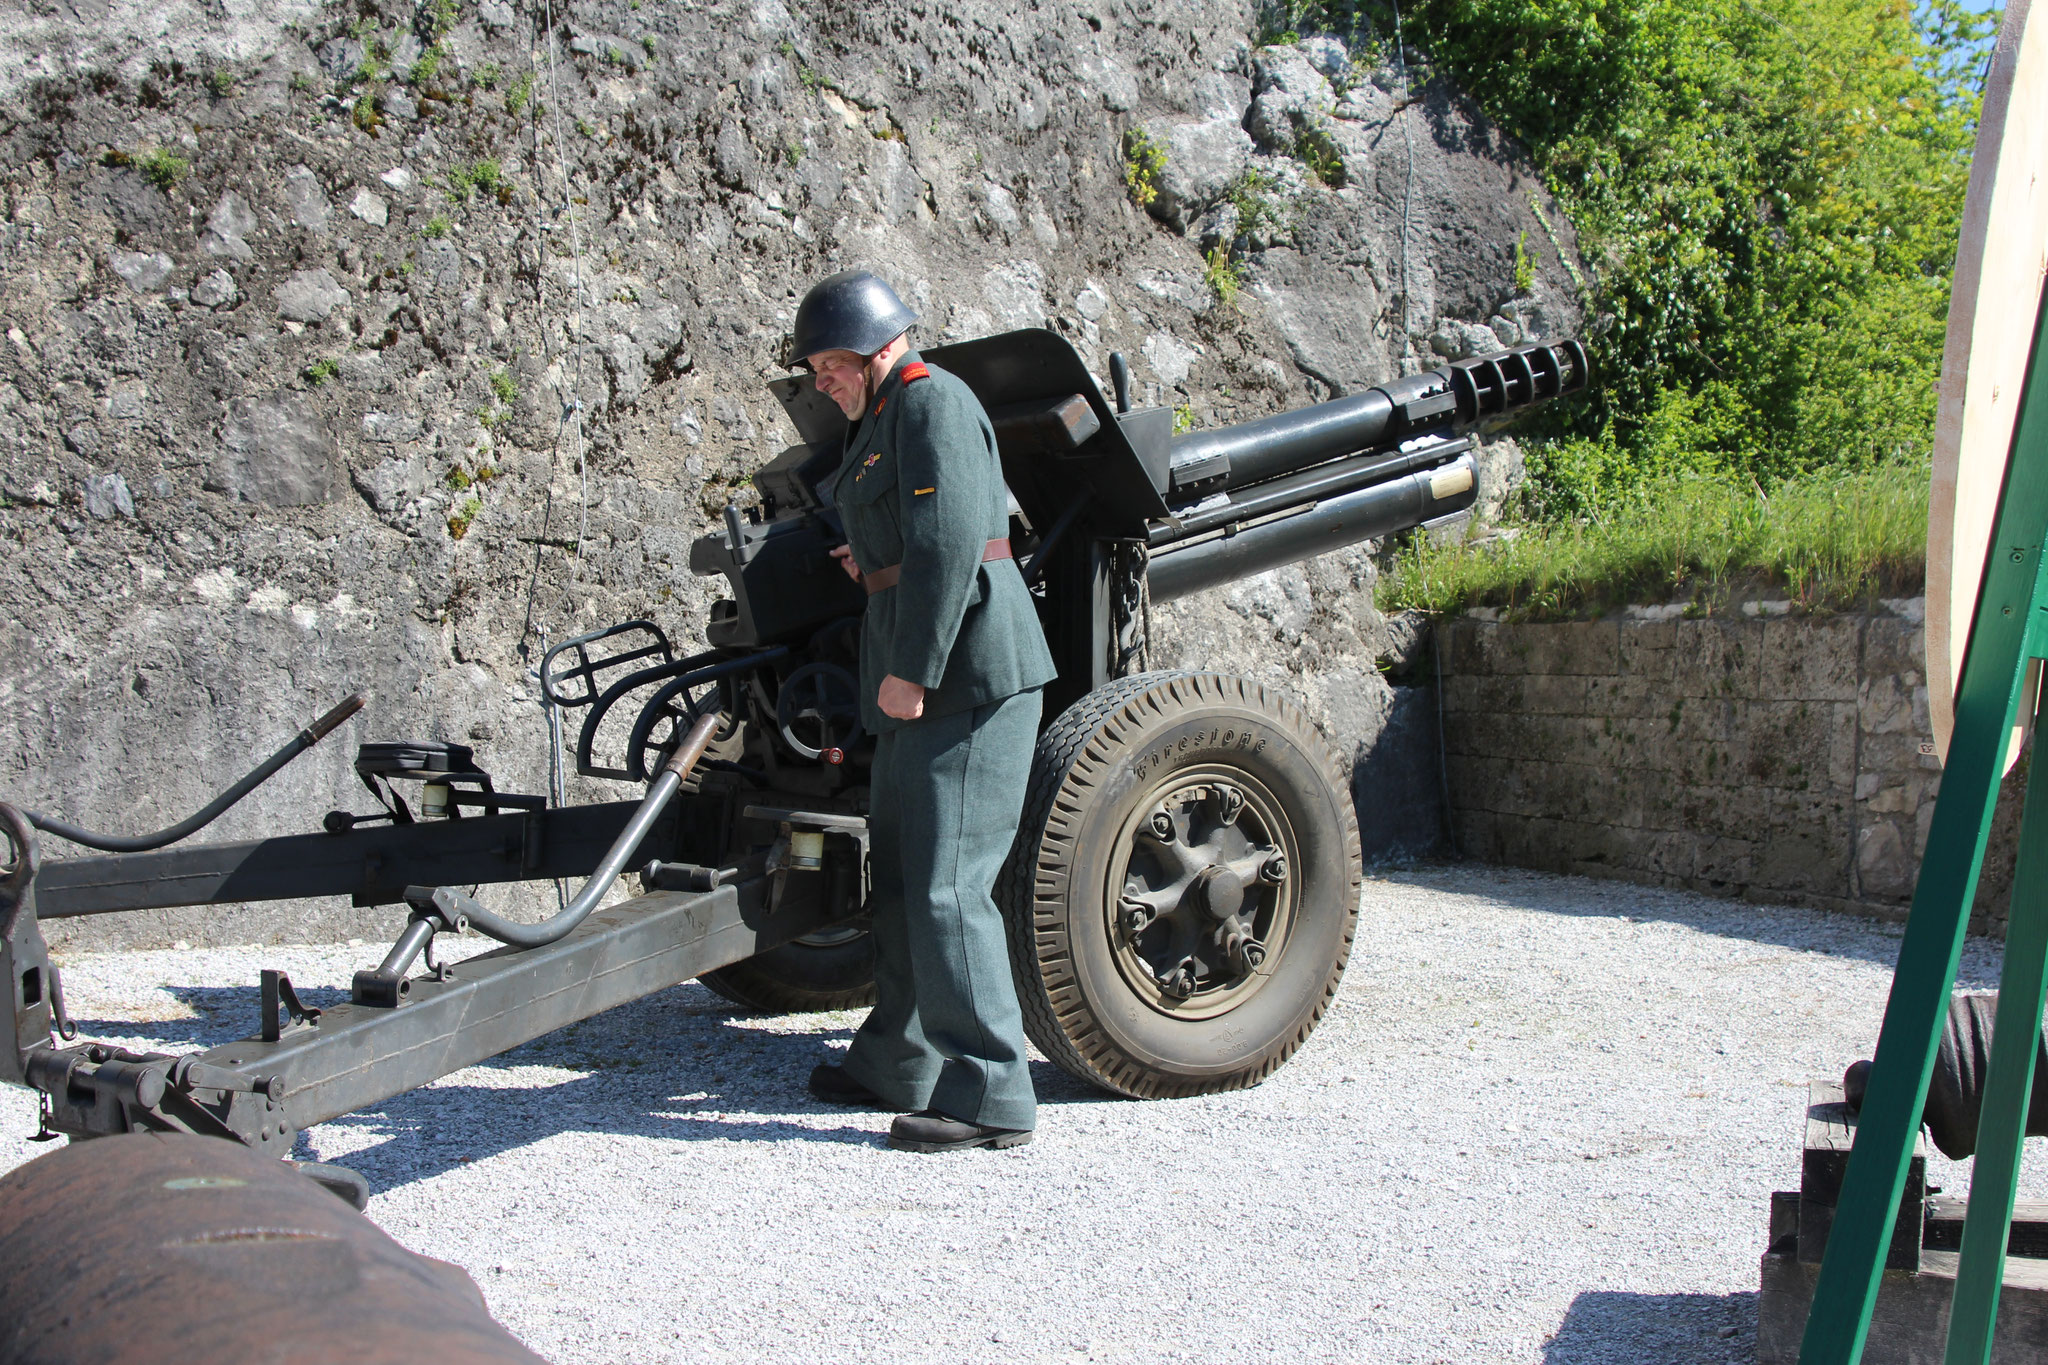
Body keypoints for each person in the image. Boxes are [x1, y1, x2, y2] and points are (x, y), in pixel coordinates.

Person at [788, 268, 1057, 1153]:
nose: (821, 382)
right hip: (920, 678)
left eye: (828, 364)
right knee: (902, 882)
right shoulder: (882, 417)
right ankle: (899, 1062)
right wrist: (868, 567)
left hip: (965, 676)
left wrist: (912, 671)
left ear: (873, 344)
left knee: (948, 886)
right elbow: (908, 542)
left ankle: (990, 1095)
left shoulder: (930, 400)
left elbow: (950, 546)